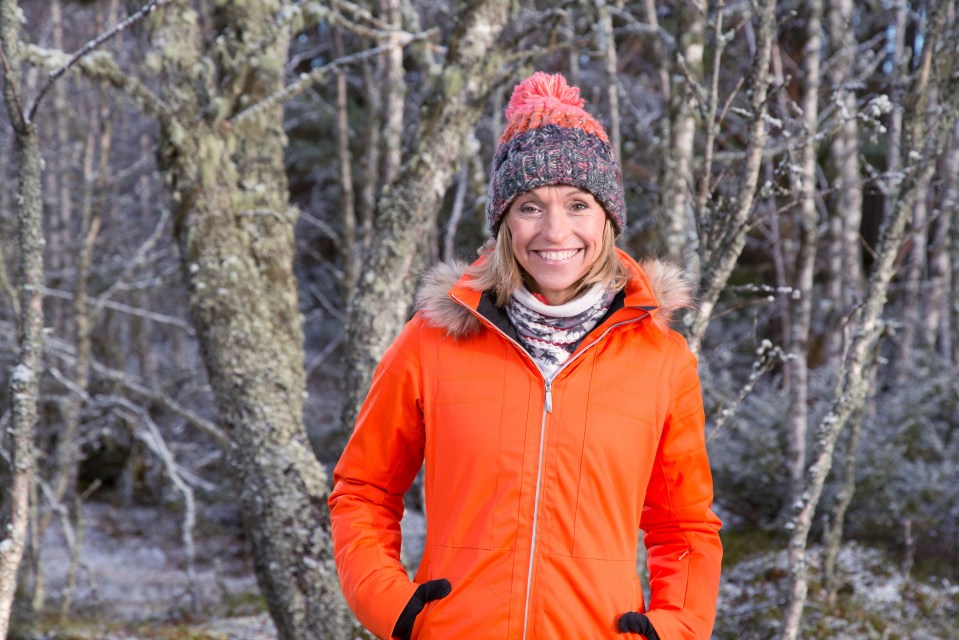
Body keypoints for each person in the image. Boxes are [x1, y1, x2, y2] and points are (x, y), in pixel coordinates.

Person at [329, 71, 722, 640]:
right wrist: (394, 608)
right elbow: (363, 491)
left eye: (578, 204)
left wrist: (674, 627)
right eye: (531, 206)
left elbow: (683, 526)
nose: (555, 229)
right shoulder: (431, 340)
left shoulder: (661, 358)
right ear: (504, 221)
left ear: (607, 218)